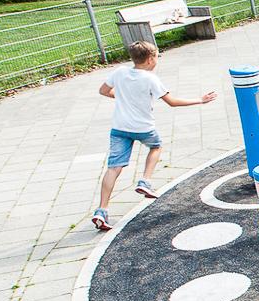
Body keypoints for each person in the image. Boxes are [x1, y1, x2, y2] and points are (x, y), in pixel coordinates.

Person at [91, 41, 217, 231]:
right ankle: (145, 181)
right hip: (143, 127)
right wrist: (200, 100)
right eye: (157, 57)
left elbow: (103, 91)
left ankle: (102, 210)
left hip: (119, 127)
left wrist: (124, 97)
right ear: (150, 59)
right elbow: (172, 102)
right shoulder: (151, 79)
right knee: (156, 147)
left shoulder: (120, 72)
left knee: (114, 168)